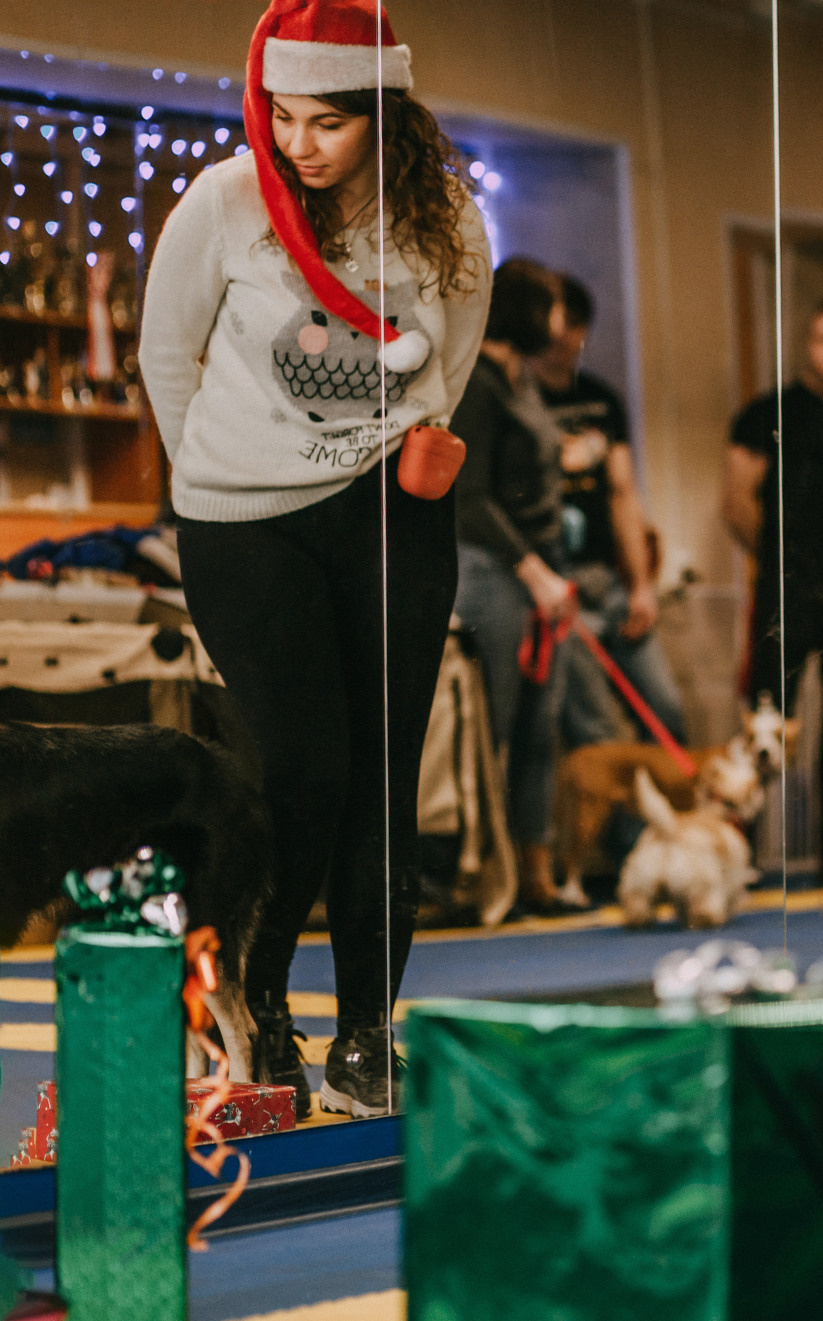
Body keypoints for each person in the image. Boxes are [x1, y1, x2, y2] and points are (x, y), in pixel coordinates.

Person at [138, 0, 489, 1117]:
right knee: (304, 771)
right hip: (245, 523)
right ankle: (260, 1008)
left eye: (327, 121)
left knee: (386, 780)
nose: (297, 143)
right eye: (283, 116)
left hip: (389, 511)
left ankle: (369, 1037)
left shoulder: (446, 219)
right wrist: (217, 465)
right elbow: (164, 349)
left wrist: (384, 447)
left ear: (386, 112)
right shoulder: (227, 199)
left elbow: (458, 348)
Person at [723, 297, 823, 885]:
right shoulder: (766, 413)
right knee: (766, 725)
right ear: (808, 344)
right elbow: (736, 503)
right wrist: (777, 564)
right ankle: (735, 856)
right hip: (787, 591)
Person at [450, 259, 585, 913]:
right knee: (490, 730)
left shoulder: (521, 380)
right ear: (530, 310)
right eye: (555, 306)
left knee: (540, 727)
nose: (562, 323)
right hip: (494, 570)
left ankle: (535, 873)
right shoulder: (473, 381)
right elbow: (468, 495)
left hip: (542, 568)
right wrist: (534, 572)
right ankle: (478, 875)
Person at [534, 272, 688, 746]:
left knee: (665, 711)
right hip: (559, 585)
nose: (565, 336)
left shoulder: (602, 401)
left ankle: (661, 824)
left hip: (608, 579)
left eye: (576, 324)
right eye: (558, 323)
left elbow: (623, 492)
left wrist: (643, 586)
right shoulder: (518, 400)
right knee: (595, 731)